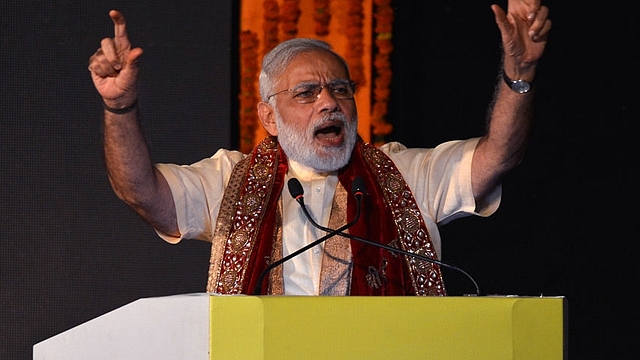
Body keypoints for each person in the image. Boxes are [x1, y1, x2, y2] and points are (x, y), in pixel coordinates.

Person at [88, 1, 551, 296]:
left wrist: (519, 76)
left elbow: (498, 157)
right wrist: (121, 108)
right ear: (269, 116)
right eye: (307, 92)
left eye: (340, 89)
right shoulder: (230, 180)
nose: (330, 102)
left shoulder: (404, 174)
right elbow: (140, 191)